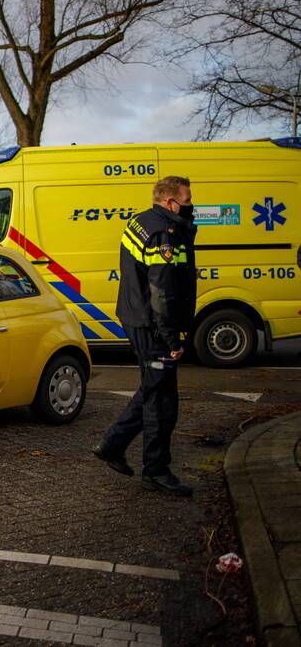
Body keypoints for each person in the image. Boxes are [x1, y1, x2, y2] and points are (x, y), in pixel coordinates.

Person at [93, 176, 198, 496]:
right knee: (162, 400)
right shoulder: (163, 234)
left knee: (155, 388)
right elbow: (161, 292)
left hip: (139, 319)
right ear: (170, 202)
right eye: (188, 199)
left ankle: (113, 446)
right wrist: (173, 339)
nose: (191, 205)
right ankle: (154, 470)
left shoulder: (142, 221)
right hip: (152, 325)